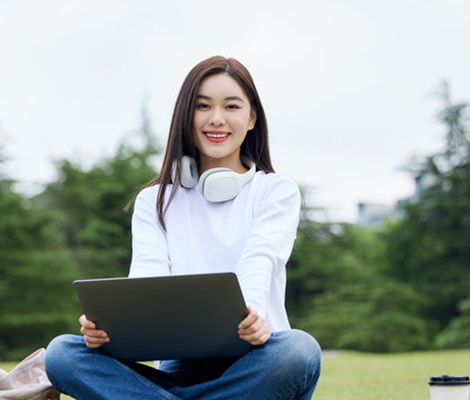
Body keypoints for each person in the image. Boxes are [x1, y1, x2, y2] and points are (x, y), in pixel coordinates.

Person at [44, 56, 321, 400]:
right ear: (185, 117)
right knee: (61, 354)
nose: (216, 118)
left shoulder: (275, 191)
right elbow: (146, 278)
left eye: (231, 106)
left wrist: (251, 312)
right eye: (202, 106)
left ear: (252, 118)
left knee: (299, 351)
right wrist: (109, 327)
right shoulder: (154, 201)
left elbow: (259, 261)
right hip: (178, 368)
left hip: (257, 359)